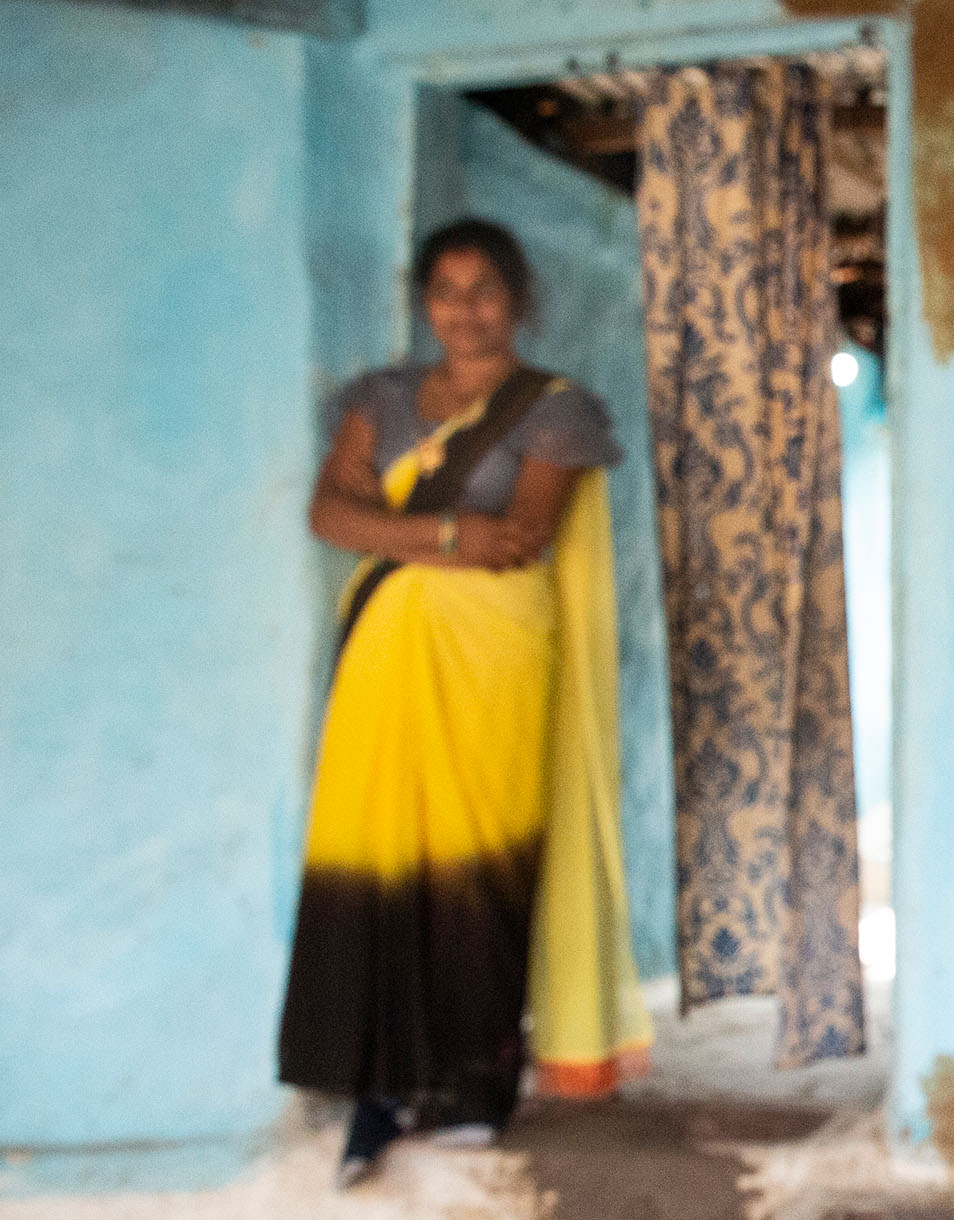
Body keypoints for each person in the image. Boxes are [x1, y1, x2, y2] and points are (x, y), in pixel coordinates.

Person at [280, 218, 651, 1187]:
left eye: (484, 289)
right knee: (371, 850)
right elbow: (328, 513)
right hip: (385, 649)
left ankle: (472, 1087)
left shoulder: (555, 410)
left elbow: (521, 533)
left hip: (496, 652)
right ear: (424, 300)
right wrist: (450, 529)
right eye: (445, 289)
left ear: (517, 301)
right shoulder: (382, 397)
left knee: (478, 863)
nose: (464, 308)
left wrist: (396, 525)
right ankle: (377, 1083)